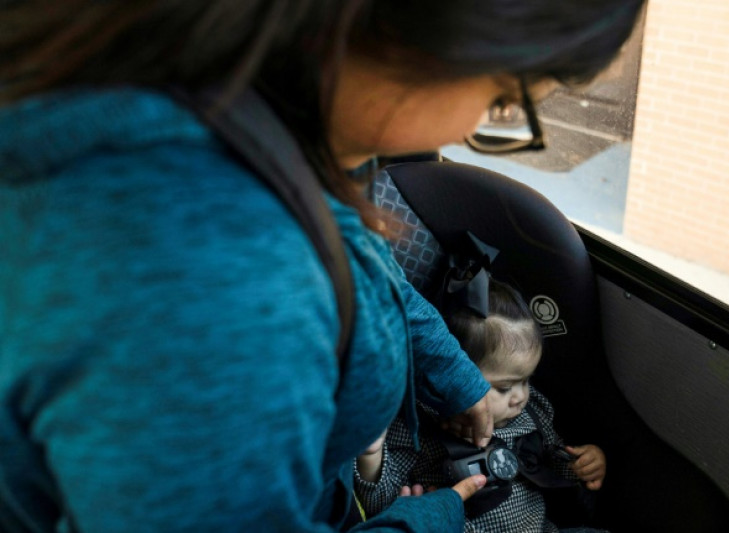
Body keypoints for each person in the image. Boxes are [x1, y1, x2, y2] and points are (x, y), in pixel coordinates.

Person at [0, 1, 641, 531]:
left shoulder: (277, 131)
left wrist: (456, 374)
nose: (478, 123)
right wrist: (428, 520)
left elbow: (372, 278)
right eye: (502, 99)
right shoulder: (215, 282)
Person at [354, 250, 607, 532]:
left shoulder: (529, 412)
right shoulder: (418, 430)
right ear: (457, 371)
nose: (520, 396)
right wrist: (371, 456)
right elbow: (382, 504)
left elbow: (548, 462)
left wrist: (580, 465)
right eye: (504, 387)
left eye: (526, 380)